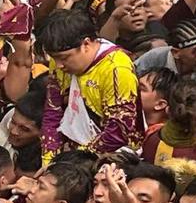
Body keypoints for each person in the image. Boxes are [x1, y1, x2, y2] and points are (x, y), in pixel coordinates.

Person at [39, 9, 141, 157]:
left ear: (86, 44)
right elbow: (53, 110)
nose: (59, 65)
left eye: (64, 58)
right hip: (74, 150)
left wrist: (74, 160)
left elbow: (119, 130)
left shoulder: (116, 68)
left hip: (112, 156)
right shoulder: (59, 62)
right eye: (54, 58)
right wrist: (49, 158)